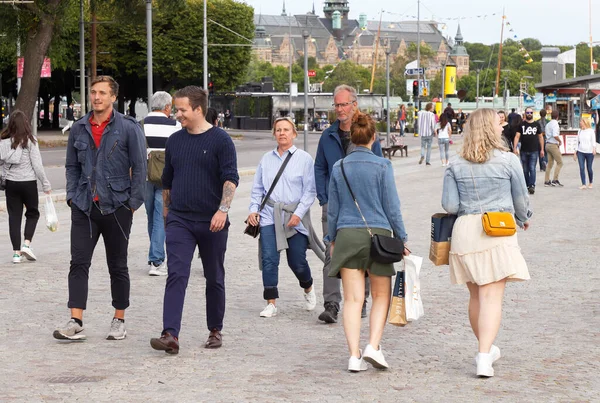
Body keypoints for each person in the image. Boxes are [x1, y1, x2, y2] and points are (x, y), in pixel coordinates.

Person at [54, 75, 147, 341]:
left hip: (117, 206)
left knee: (117, 265)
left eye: (102, 93)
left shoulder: (128, 128)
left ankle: (119, 319)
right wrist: (72, 196)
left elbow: (140, 168)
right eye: (93, 92)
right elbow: (71, 166)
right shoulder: (79, 128)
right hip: (84, 206)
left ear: (113, 97)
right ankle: (76, 320)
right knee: (78, 263)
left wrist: (132, 204)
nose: (96, 97)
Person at [442, 108, 531, 378]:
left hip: (466, 230)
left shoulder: (455, 163)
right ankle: (483, 356)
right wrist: (524, 218)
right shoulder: (507, 160)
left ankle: (486, 349)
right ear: (493, 129)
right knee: (491, 297)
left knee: (476, 297)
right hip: (497, 229)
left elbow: (450, 205)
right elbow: (521, 199)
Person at [150, 86, 239, 355]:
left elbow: (230, 178)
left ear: (198, 109)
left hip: (212, 221)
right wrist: (168, 213)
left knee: (214, 277)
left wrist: (222, 211)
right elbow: (168, 180)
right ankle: (170, 334)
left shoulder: (221, 141)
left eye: (182, 110)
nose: (177, 115)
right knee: (176, 274)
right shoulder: (175, 140)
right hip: (180, 219)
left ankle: (215, 329)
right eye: (176, 109)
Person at [326, 112, 409, 372]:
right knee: (381, 295)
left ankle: (354, 356)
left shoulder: (339, 167)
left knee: (352, 299)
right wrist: (402, 237)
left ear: (352, 137)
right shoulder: (383, 166)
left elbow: (333, 209)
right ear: (374, 138)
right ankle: (373, 345)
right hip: (379, 236)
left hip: (348, 234)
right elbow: (392, 207)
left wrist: (331, 238)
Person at [314, 84, 383, 324]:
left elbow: (379, 166)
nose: (340, 109)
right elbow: (319, 167)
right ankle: (331, 303)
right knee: (331, 252)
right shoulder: (328, 135)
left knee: (361, 253)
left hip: (361, 205)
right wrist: (324, 197)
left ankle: (360, 300)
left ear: (355, 104)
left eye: (344, 104)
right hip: (333, 204)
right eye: (337, 105)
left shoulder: (366, 132)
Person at [247, 117, 324, 317]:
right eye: (278, 130)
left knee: (296, 261)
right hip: (269, 216)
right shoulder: (266, 159)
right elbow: (258, 190)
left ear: (294, 133)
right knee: (269, 259)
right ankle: (271, 302)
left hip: (293, 217)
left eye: (286, 130)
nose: (282, 133)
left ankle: (308, 286)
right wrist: (253, 210)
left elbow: (310, 191)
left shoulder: (305, 159)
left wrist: (298, 215)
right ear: (274, 133)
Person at [0, 110, 51, 263]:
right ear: (26, 124)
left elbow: (1, 164)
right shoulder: (30, 141)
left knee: (14, 217)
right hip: (28, 183)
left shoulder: (3, 143)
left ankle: (16, 254)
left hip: (11, 184)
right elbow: (37, 166)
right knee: (33, 213)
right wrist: (45, 183)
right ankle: (26, 244)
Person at [143, 91, 182, 276]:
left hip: (145, 177)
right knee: (161, 218)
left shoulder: (140, 125)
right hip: (167, 179)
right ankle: (157, 261)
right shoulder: (175, 125)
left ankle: (157, 255)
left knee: (152, 217)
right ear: (167, 107)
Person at [513, 107, 544, 194]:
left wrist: (542, 149)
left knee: (532, 168)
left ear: (532, 113)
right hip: (523, 150)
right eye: (527, 112)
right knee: (525, 169)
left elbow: (540, 137)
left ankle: (532, 185)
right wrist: (514, 148)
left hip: (534, 150)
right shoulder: (521, 125)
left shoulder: (536, 125)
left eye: (530, 112)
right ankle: (526, 185)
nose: (529, 114)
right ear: (525, 114)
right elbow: (517, 136)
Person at [543, 110, 563, 187]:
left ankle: (547, 180)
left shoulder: (548, 124)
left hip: (547, 144)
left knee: (550, 163)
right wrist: (559, 141)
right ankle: (555, 179)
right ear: (557, 117)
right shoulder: (555, 124)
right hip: (553, 145)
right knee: (560, 162)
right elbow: (555, 135)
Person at [575, 117, 596, 190]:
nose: (580, 123)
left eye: (581, 121)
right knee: (581, 167)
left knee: (589, 168)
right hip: (581, 151)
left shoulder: (591, 131)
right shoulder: (579, 131)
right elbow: (577, 142)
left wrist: (594, 148)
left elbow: (593, 141)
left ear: (585, 122)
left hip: (589, 152)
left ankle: (590, 182)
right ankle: (583, 183)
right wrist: (575, 152)